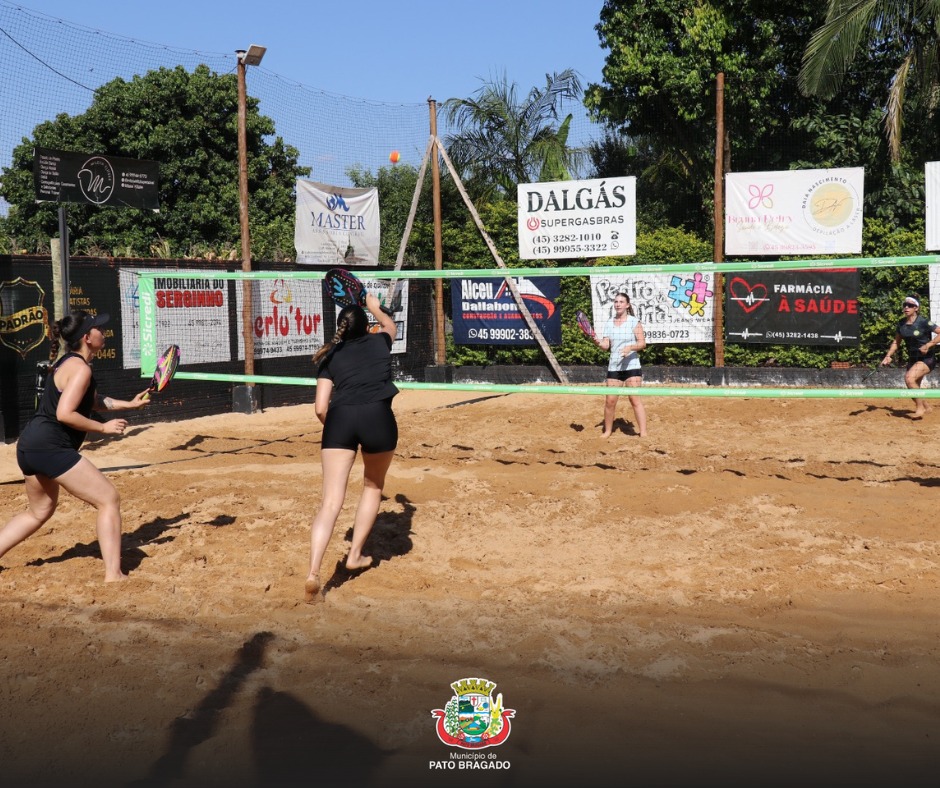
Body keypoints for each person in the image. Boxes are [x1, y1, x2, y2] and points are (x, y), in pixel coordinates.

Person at [0, 311, 150, 581]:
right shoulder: (81, 369)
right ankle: (113, 574)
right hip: (50, 447)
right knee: (108, 499)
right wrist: (103, 427)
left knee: (39, 511)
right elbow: (66, 414)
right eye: (98, 329)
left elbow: (91, 401)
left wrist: (130, 404)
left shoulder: (68, 362)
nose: (103, 333)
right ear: (87, 338)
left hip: (30, 445)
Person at [305, 292, 398, 603]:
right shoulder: (379, 341)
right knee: (373, 486)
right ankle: (354, 554)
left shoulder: (329, 355)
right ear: (366, 327)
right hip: (377, 418)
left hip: (340, 421)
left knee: (330, 503)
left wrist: (337, 431)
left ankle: (313, 572)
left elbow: (320, 408)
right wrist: (375, 307)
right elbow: (389, 325)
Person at [593, 292, 648, 438]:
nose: (618, 304)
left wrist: (630, 348)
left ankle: (643, 433)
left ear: (627, 305)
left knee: (634, 399)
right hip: (615, 366)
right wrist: (598, 342)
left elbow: (642, 343)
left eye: (621, 301)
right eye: (616, 301)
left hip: (632, 365)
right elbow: (606, 345)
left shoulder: (633, 321)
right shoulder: (609, 323)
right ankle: (607, 431)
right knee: (610, 400)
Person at [881, 295, 940, 419]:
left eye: (910, 305)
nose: (906, 307)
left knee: (909, 378)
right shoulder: (901, 324)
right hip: (913, 358)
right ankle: (926, 406)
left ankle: (920, 408)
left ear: (916, 308)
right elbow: (896, 342)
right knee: (912, 385)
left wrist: (928, 345)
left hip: (926, 358)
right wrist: (888, 356)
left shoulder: (923, 322)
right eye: (905, 305)